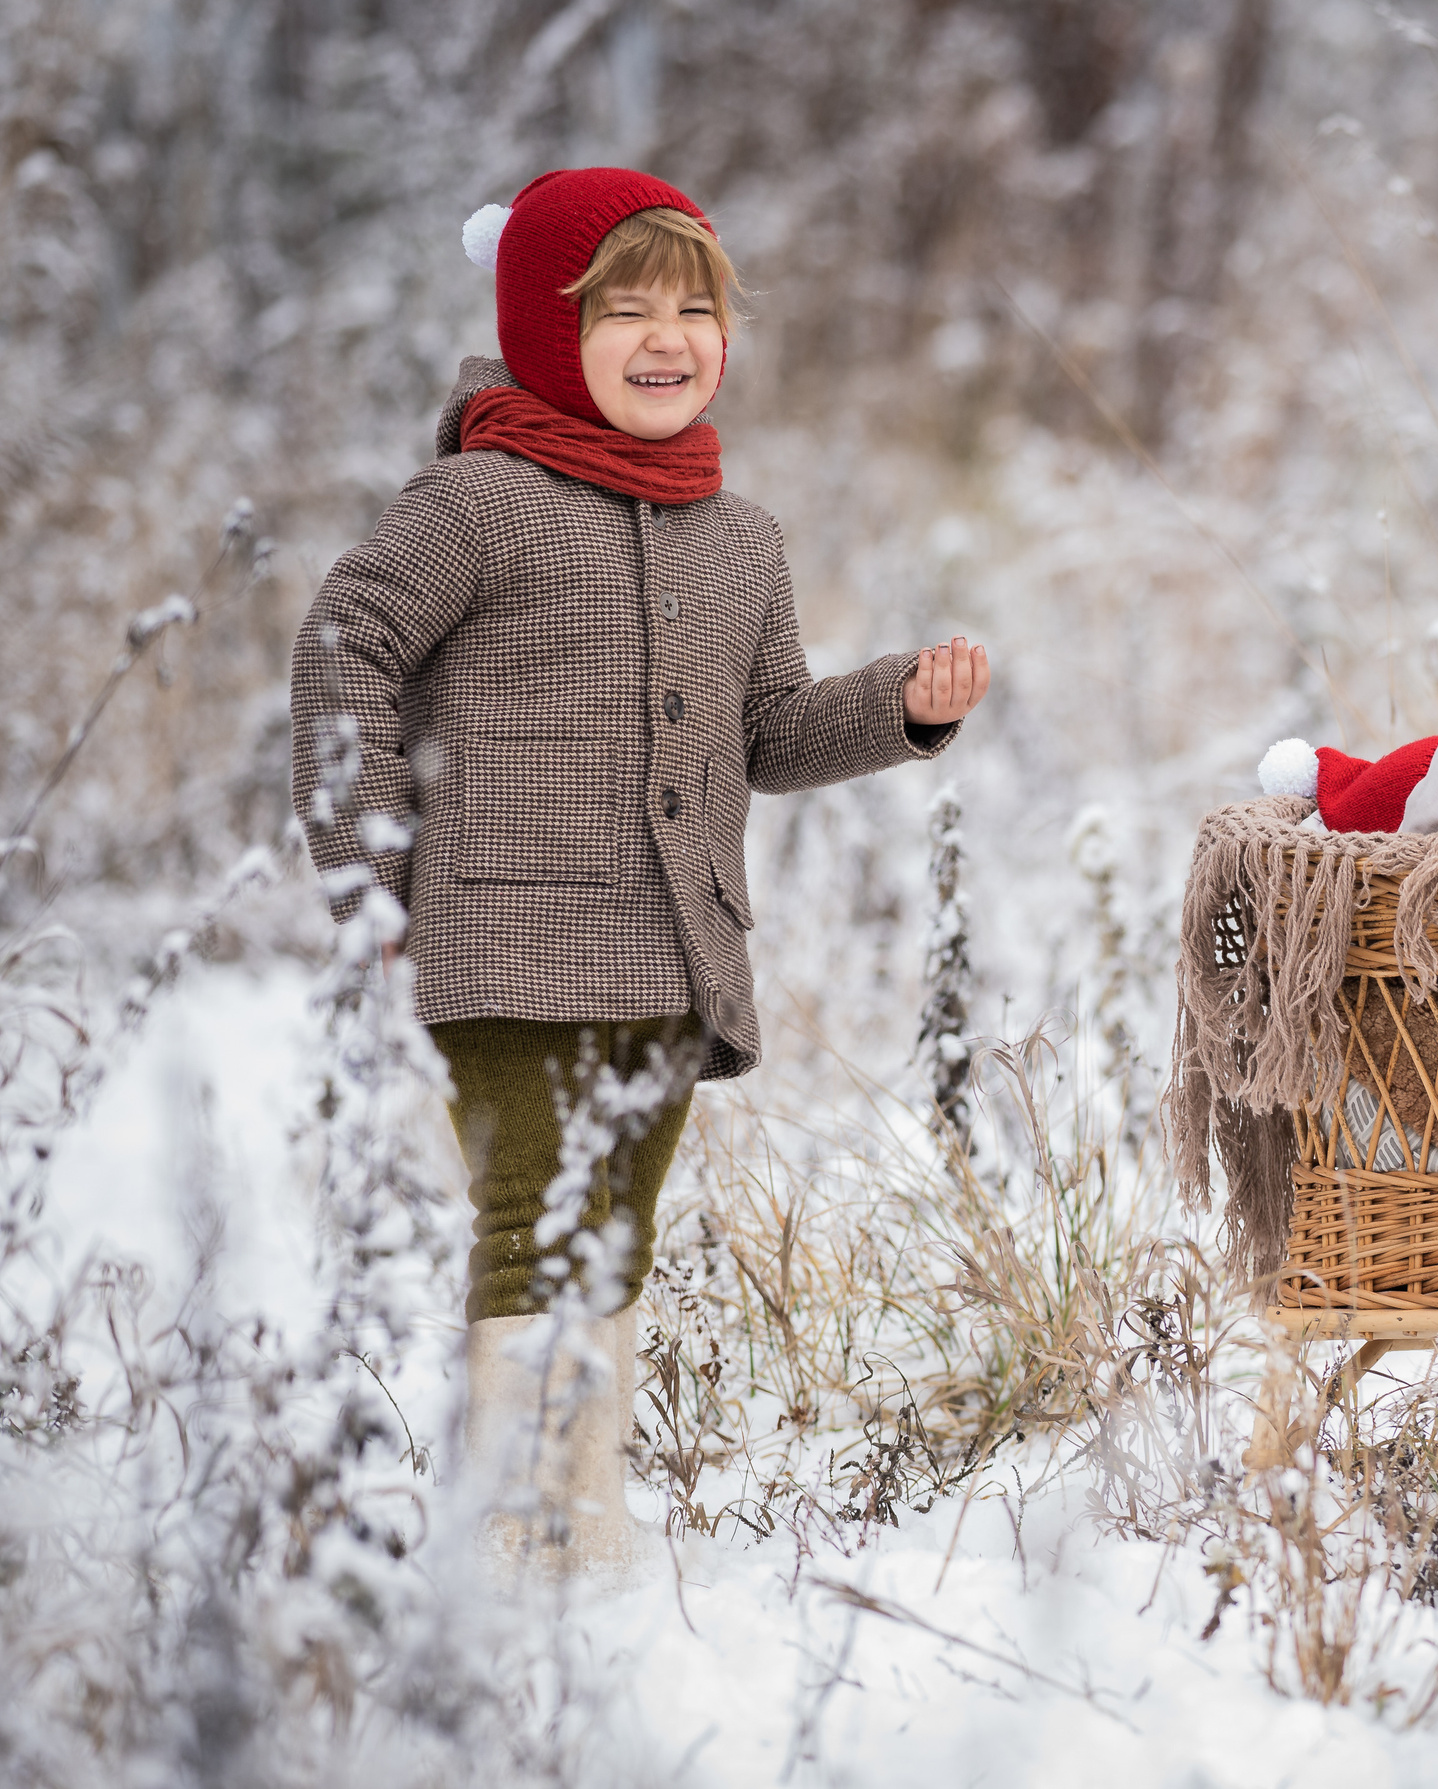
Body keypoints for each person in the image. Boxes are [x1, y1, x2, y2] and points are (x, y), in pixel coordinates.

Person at [287, 166, 991, 1578]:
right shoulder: (476, 503)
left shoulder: (741, 542)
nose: (669, 336)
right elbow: (342, 645)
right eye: (624, 310)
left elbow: (771, 735)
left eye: (696, 307)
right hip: (497, 941)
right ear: (550, 332)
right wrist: (368, 865)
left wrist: (901, 705)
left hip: (672, 954)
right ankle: (525, 1533)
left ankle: (574, 1516)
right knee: (530, 1219)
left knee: (613, 1230)